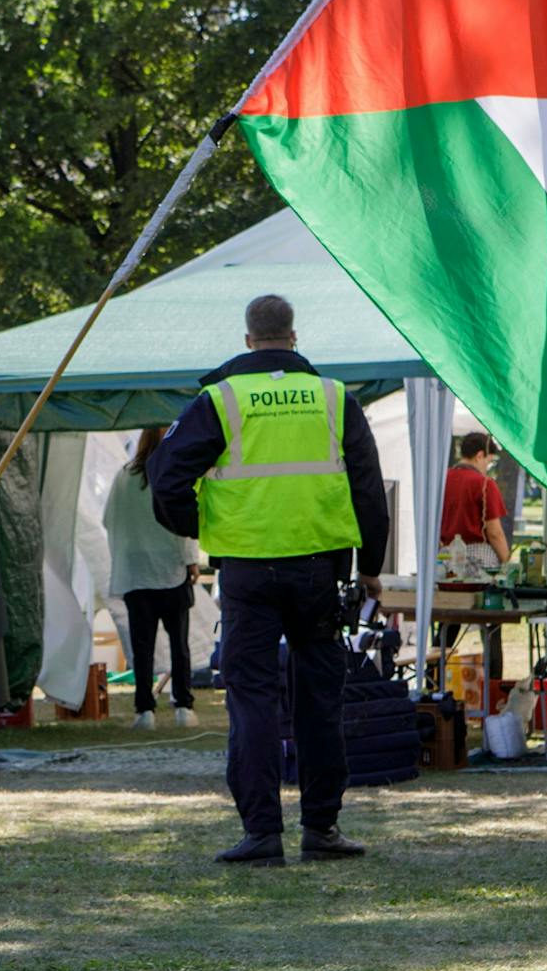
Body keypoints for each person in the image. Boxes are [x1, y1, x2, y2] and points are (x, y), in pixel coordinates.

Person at [149, 293, 390, 867]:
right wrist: (373, 566)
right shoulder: (335, 399)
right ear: (294, 336)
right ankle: (322, 828)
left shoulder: (222, 399)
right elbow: (369, 489)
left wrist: (209, 526)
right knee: (319, 700)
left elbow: (165, 480)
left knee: (252, 698)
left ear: (249, 338)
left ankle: (262, 833)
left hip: (247, 571)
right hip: (320, 570)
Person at [103, 427, 200, 730]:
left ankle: (144, 710)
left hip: (135, 573)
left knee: (141, 646)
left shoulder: (123, 476)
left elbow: (108, 519)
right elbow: (184, 521)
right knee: (178, 645)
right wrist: (191, 560)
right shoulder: (172, 475)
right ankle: (183, 706)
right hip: (170, 568)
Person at [441, 432, 511, 566]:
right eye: (489, 462)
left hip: (445, 558)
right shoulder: (485, 484)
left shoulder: (441, 480)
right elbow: (494, 533)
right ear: (479, 456)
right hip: (478, 560)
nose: (487, 467)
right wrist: (507, 564)